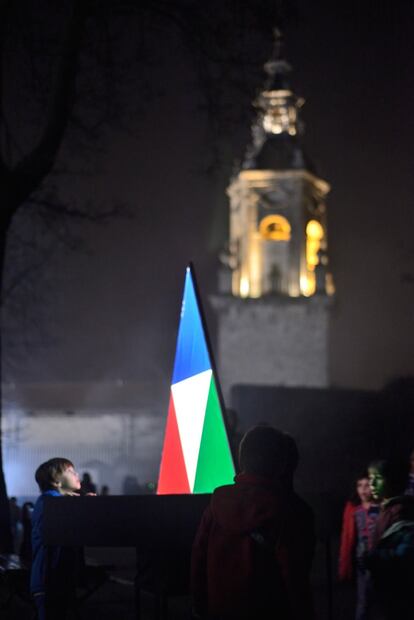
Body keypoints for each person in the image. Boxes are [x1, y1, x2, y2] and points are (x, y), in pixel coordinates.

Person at [191, 425, 315, 620]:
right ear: (281, 464)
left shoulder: (217, 503)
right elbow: (293, 573)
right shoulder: (284, 510)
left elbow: (199, 556)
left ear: (242, 460)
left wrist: (199, 605)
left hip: (219, 610)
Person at [31, 458, 83, 620]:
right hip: (49, 578)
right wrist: (81, 505)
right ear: (56, 481)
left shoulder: (54, 501)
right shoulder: (49, 501)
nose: (77, 475)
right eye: (71, 472)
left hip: (56, 577)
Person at [365, 458, 414, 620]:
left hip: (397, 593)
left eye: (377, 478)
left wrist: (376, 558)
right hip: (386, 591)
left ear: (393, 481)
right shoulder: (386, 510)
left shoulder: (401, 511)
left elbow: (406, 552)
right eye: (370, 478)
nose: (371, 484)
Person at [338, 473, 380, 620]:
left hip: (380, 560)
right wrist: (344, 564)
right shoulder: (354, 510)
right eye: (359, 485)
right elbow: (347, 536)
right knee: (363, 601)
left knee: (380, 601)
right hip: (361, 561)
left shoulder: (381, 507)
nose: (363, 489)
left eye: (367, 485)